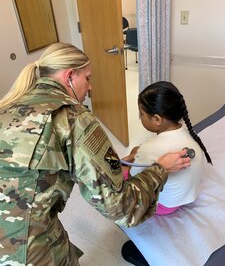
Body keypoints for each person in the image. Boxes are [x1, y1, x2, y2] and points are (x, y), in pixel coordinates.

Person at [0, 43, 190, 266]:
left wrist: (115, 162)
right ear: (70, 76)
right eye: (88, 78)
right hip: (24, 250)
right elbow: (119, 207)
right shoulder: (74, 119)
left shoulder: (11, 103)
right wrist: (160, 169)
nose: (90, 88)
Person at [124, 81, 212, 215]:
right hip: (188, 196)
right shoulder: (189, 134)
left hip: (164, 206)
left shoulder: (149, 147)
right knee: (137, 150)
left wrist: (127, 164)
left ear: (157, 120)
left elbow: (133, 181)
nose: (140, 118)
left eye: (141, 114)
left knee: (123, 167)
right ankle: (135, 157)